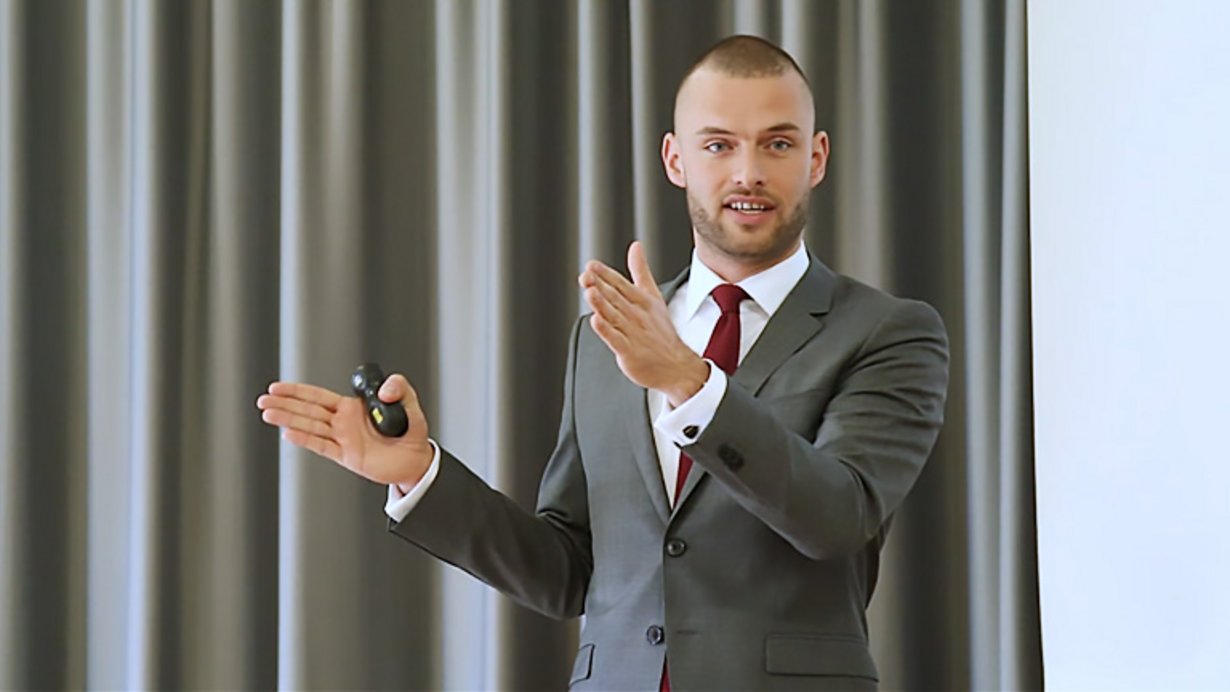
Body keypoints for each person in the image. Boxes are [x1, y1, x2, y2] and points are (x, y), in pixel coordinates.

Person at [257, 35, 948, 691]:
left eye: (778, 144)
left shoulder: (889, 333)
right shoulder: (603, 338)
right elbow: (569, 570)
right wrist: (419, 474)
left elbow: (838, 517)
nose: (748, 172)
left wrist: (688, 381)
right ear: (676, 160)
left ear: (817, 157)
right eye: (719, 145)